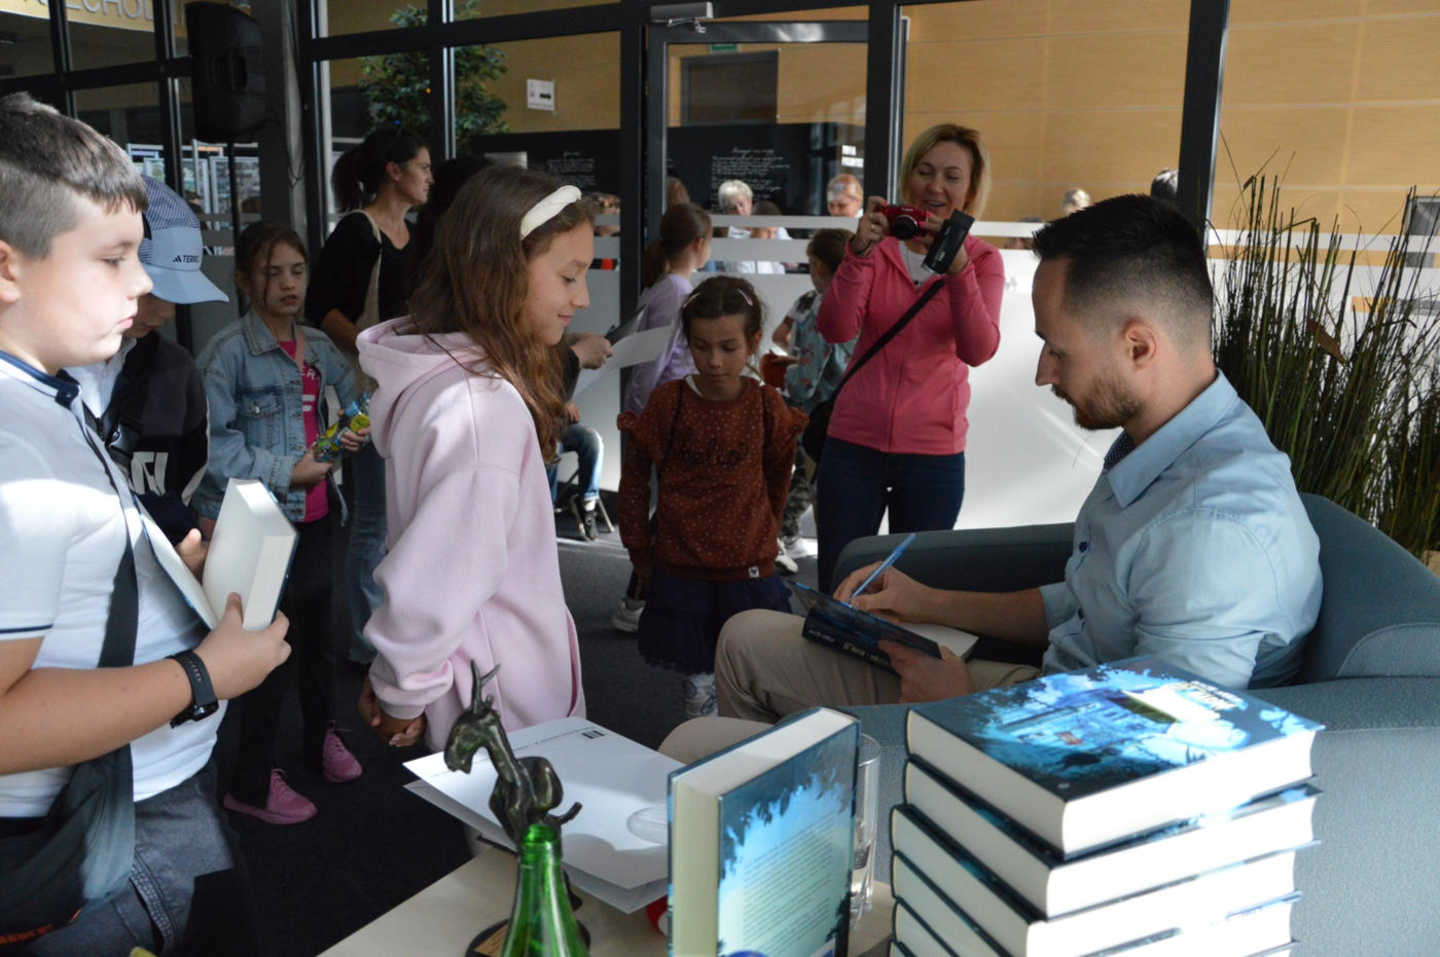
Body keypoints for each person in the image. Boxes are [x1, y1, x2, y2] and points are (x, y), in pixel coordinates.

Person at [697, 194, 1323, 738]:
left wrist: (964, 704)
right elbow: (1085, 604)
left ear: (1138, 346)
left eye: (1057, 348)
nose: (1043, 372)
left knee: (693, 751)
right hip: (1050, 693)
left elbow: (1148, 748)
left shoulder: (1212, 529)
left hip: (1050, 749)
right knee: (745, 639)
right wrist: (923, 600)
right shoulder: (1165, 443)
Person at [0, 91, 288, 954]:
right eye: (114, 258)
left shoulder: (38, 402)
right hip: (102, 840)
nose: (143, 284)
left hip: (127, 806)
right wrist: (203, 674)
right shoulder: (15, 441)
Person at [355, 166, 590, 750]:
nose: (581, 298)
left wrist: (398, 685)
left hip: (480, 684)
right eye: (568, 276)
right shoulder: (480, 409)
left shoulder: (442, 374)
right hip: (501, 706)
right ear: (503, 272)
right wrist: (400, 692)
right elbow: (435, 582)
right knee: (519, 840)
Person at [195, 222, 368, 825]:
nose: (289, 283)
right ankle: (252, 779)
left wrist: (337, 446)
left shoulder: (319, 347)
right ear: (245, 280)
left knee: (318, 645)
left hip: (320, 520)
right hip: (262, 525)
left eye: (297, 271)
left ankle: (321, 737)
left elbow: (359, 408)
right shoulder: (225, 355)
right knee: (264, 656)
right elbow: (213, 447)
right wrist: (288, 471)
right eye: (274, 272)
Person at [812, 122, 1004, 592]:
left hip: (933, 455)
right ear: (908, 178)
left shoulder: (982, 260)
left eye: (952, 176)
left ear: (971, 189)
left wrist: (957, 270)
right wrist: (858, 254)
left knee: (917, 591)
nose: (935, 186)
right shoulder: (876, 249)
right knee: (840, 582)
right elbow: (835, 328)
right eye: (924, 171)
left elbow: (978, 350)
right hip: (852, 444)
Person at [617, 276, 807, 717]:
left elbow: (780, 475)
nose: (715, 361)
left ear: (753, 342)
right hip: (684, 568)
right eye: (701, 347)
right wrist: (638, 546)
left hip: (748, 569)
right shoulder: (671, 402)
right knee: (699, 687)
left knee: (755, 677)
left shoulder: (765, 406)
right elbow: (635, 477)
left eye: (728, 347)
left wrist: (768, 530)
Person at [306, 128, 433, 667]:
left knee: (405, 518)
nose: (429, 176)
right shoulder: (357, 232)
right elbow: (321, 306)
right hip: (368, 392)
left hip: (413, 389)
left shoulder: (417, 234)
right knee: (373, 521)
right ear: (394, 171)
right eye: (422, 166)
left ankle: (392, 627)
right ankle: (363, 641)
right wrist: (372, 348)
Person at [66, 174, 227, 543]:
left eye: (177, 295)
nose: (167, 311)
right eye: (154, 292)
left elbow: (189, 472)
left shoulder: (176, 370)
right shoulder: (37, 370)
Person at [611, 202, 713, 631]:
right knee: (674, 509)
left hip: (668, 410)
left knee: (673, 507)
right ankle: (639, 598)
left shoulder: (663, 287)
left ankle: (645, 597)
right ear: (698, 244)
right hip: (671, 413)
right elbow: (656, 362)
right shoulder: (674, 291)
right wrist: (642, 414)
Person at [773, 228, 856, 562]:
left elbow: (805, 382)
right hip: (844, 408)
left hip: (814, 412)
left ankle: (785, 535)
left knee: (810, 481)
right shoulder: (856, 303)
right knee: (810, 480)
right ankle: (787, 530)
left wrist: (779, 375)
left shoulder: (823, 308)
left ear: (819, 267)